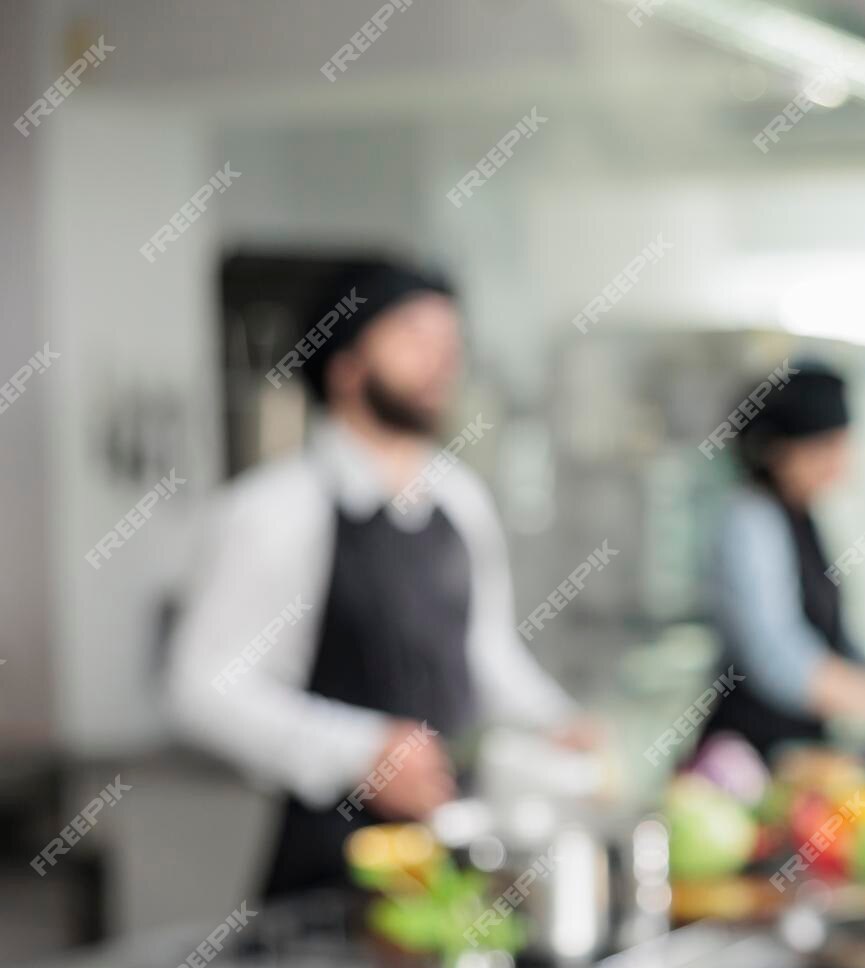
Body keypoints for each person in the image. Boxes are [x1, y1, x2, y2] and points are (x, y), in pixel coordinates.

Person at [168, 261, 587, 901]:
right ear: (345, 364)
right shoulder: (276, 509)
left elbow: (485, 653)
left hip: (451, 855)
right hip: (331, 869)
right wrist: (359, 752)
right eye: (415, 338)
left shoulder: (460, 498)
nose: (442, 361)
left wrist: (556, 721)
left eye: (450, 343)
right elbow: (202, 688)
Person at [700, 365, 865, 761]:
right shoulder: (749, 520)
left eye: (843, 446)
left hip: (802, 749)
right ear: (779, 450)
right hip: (748, 754)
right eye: (824, 449)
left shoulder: (804, 515)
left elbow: (834, 638)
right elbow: (776, 655)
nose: (840, 464)